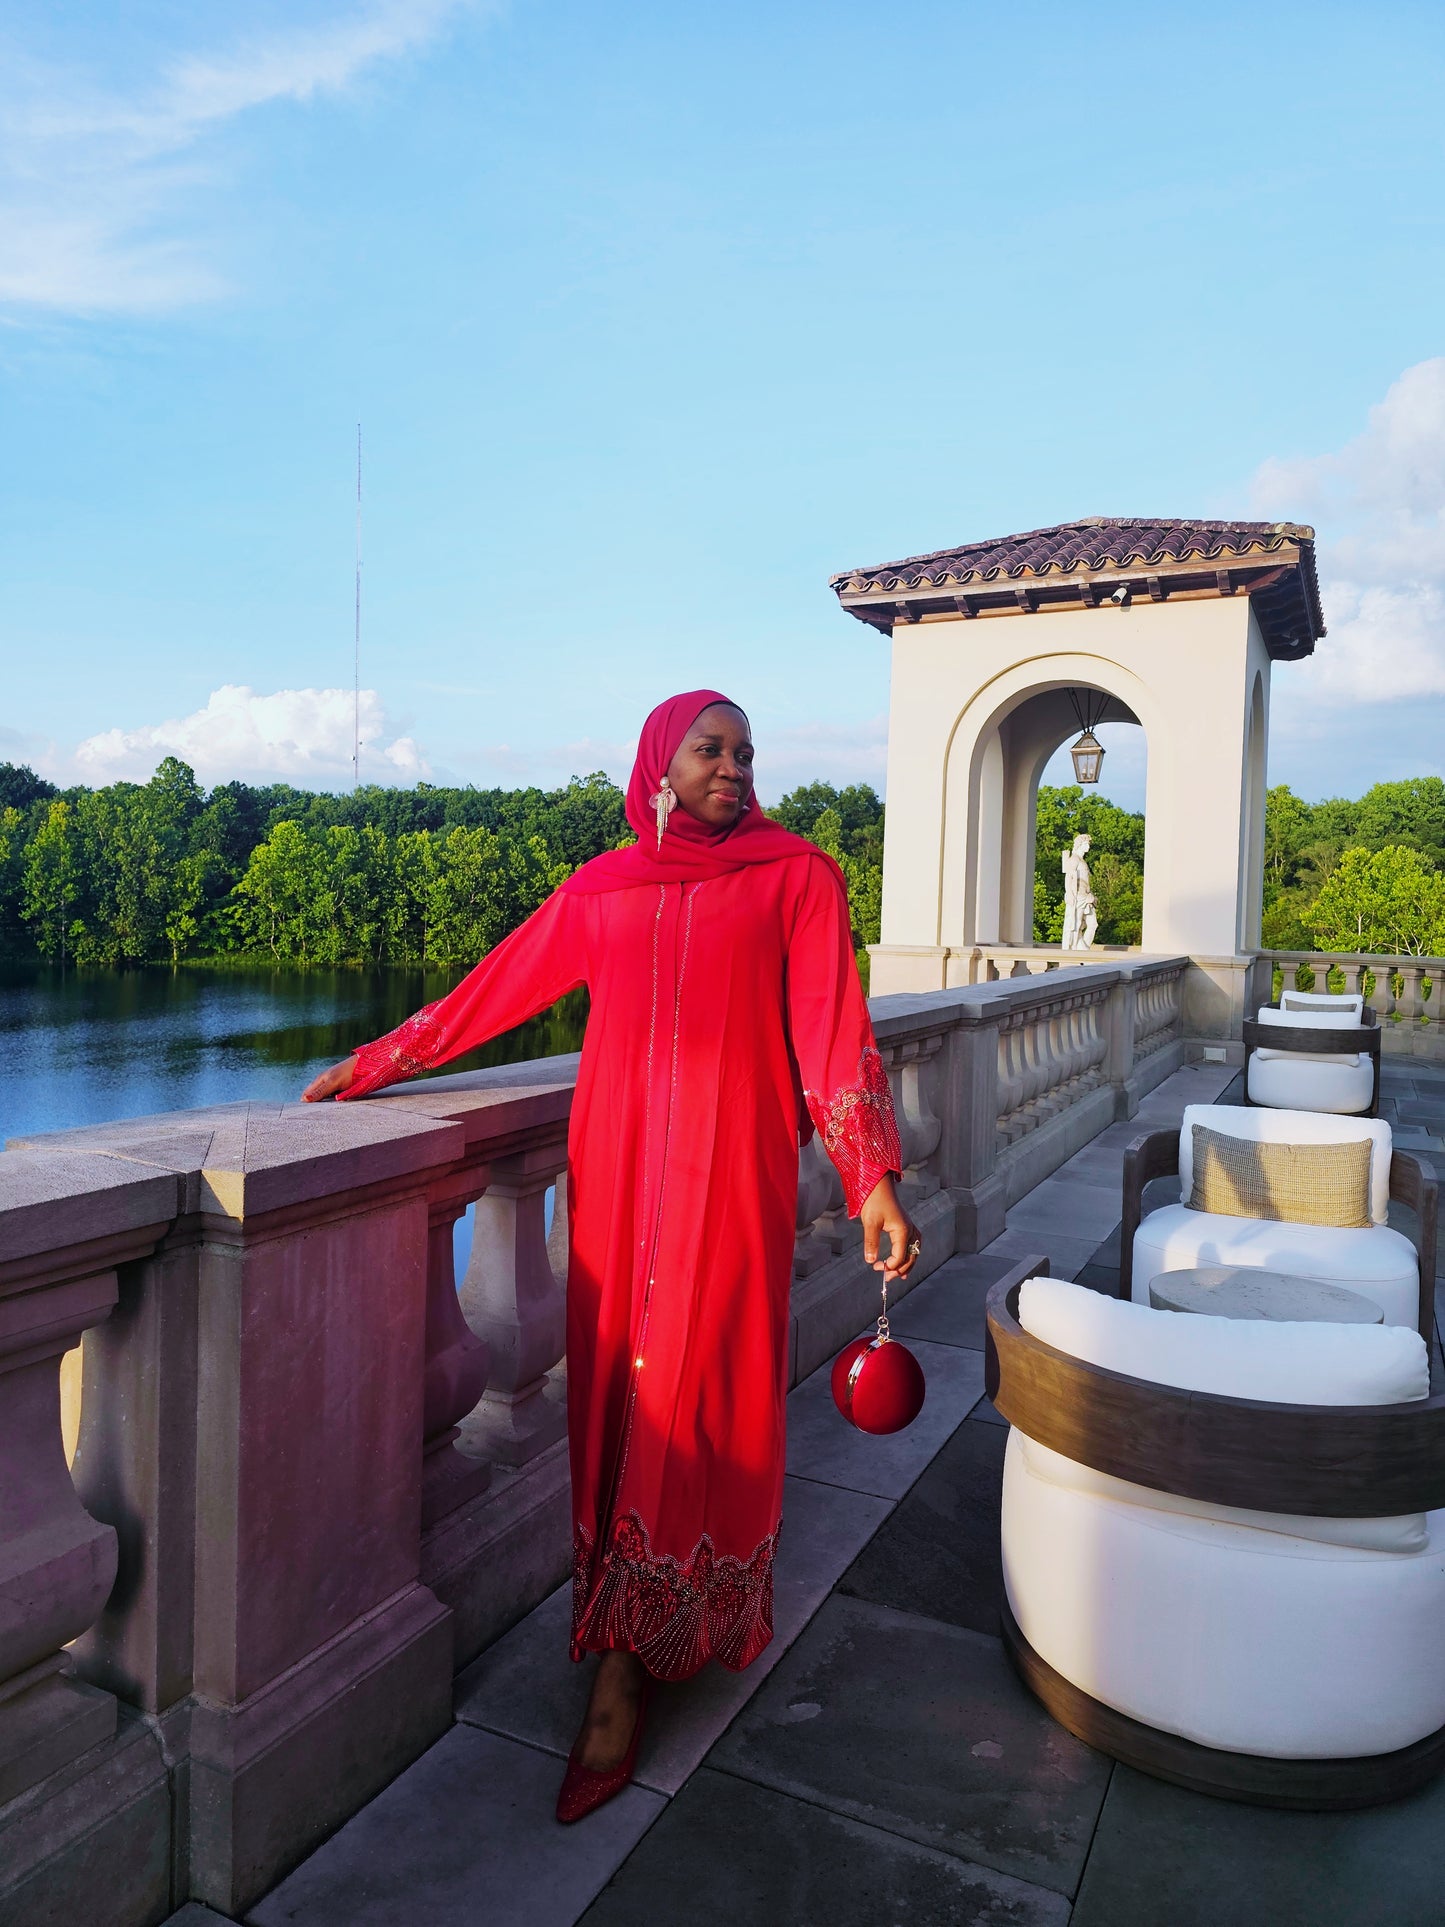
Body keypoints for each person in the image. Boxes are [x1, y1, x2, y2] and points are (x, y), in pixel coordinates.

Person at [303, 691, 919, 1822]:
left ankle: (626, 1669)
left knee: (698, 1389)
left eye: (744, 753)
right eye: (710, 749)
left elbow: (835, 1030)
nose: (732, 768)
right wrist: (383, 1057)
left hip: (730, 1178)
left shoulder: (796, 878)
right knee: (621, 1397)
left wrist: (869, 1175)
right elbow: (497, 988)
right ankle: (631, 1621)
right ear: (658, 763)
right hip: (616, 1179)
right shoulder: (604, 888)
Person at [1061, 832, 1098, 950]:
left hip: (1087, 896)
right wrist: (1070, 893)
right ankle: (1076, 949)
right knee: (1075, 924)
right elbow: (1068, 877)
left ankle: (1082, 948)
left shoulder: (1082, 860)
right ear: (1080, 844)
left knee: (1093, 924)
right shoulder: (1074, 859)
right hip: (1078, 897)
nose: (1088, 846)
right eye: (1086, 844)